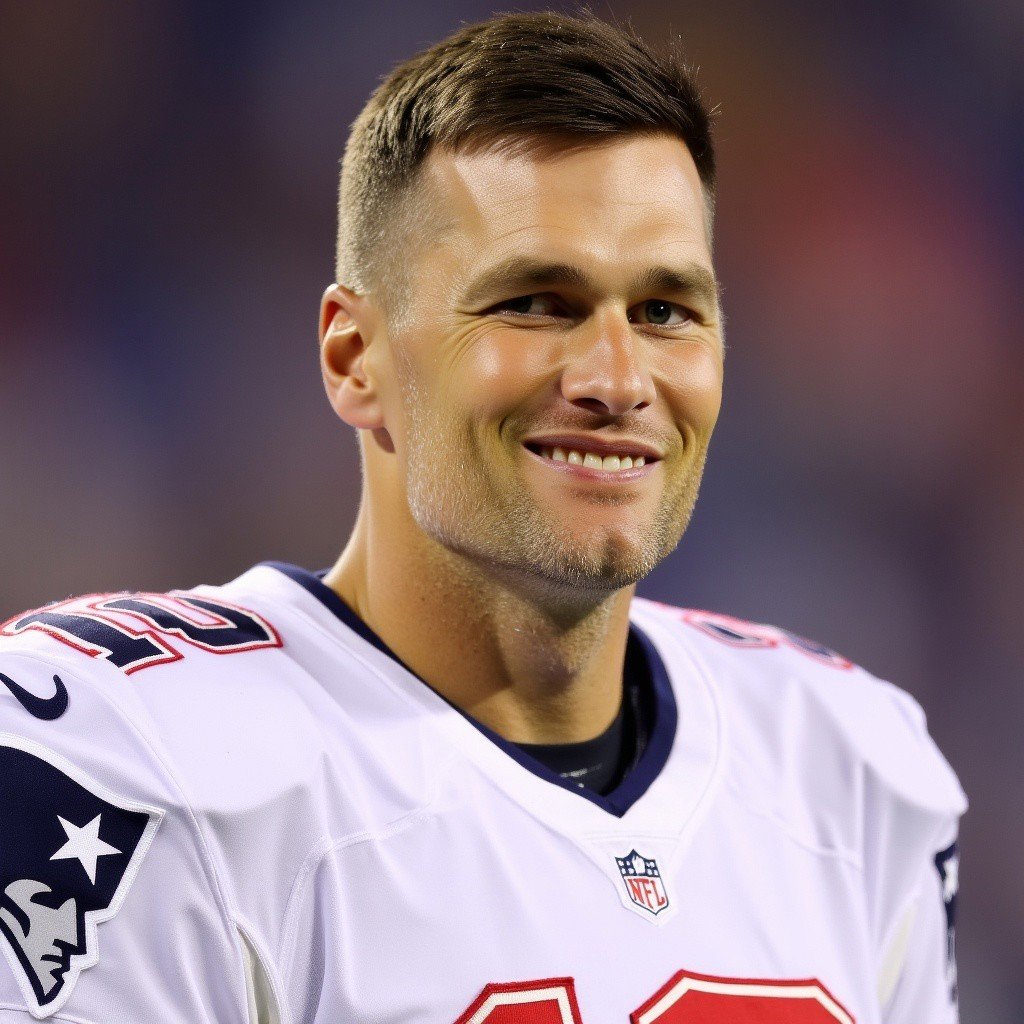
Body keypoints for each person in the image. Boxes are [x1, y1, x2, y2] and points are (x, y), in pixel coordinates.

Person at [0, 11, 964, 1024]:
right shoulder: (135, 756)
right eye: (535, 303)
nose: (616, 378)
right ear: (355, 357)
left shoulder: (848, 766)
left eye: (666, 310)